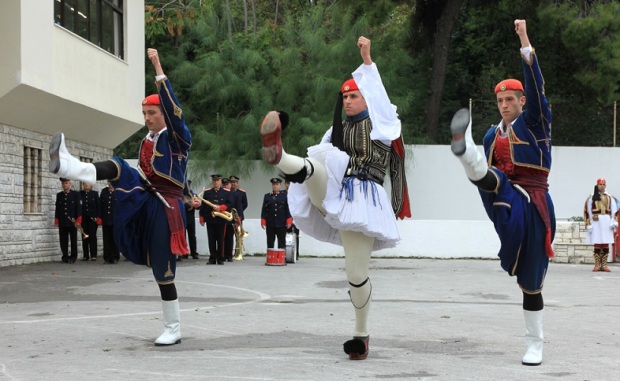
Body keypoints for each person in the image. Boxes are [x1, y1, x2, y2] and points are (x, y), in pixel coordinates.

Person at [259, 36, 410, 360]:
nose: (349, 100)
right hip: (334, 189)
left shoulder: (383, 124)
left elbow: (381, 98)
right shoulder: (336, 131)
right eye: (345, 96)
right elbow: (328, 157)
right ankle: (280, 154)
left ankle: (361, 333)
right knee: (315, 165)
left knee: (355, 275)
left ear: (367, 97)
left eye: (354, 95)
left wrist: (367, 61)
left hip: (363, 199)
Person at [49, 47, 191, 346]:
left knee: (162, 267)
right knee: (119, 166)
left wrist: (158, 66)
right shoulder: (146, 140)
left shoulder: (178, 137)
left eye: (152, 113)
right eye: (144, 114)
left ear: (164, 113)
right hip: (147, 199)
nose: (147, 118)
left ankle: (173, 327)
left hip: (166, 207)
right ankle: (71, 166)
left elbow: (176, 111)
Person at [450, 20, 553, 366]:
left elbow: (537, 87)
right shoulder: (493, 134)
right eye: (499, 100)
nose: (504, 104)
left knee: (531, 281)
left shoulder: (536, 122)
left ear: (522, 101)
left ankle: (534, 343)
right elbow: (496, 180)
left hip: (534, 202)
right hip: (503, 197)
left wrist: (525, 40)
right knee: (493, 179)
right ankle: (466, 155)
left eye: (510, 99)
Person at [584, 178, 618, 272]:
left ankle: (604, 264)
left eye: (603, 184)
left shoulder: (610, 197)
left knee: (605, 242)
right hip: (596, 222)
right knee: (597, 242)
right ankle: (597, 264)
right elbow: (587, 211)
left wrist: (613, 222)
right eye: (600, 184)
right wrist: (588, 223)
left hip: (607, 221)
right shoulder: (591, 197)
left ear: (605, 186)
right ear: (597, 185)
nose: (602, 186)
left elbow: (614, 210)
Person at [199, 174, 233, 265]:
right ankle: (212, 258)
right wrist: (202, 218)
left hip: (221, 219)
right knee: (211, 239)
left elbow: (230, 204)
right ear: (212, 182)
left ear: (220, 181)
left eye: (217, 180)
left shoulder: (226, 192)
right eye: (214, 180)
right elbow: (203, 206)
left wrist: (221, 207)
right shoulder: (208, 192)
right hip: (210, 218)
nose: (216, 182)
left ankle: (220, 258)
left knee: (221, 239)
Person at [54, 178, 82, 264]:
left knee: (73, 240)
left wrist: (78, 220)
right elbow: (57, 209)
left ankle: (73, 257)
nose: (64, 185)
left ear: (70, 184)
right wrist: (56, 220)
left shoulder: (76, 194)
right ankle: (65, 256)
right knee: (63, 240)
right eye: (63, 184)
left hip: (72, 222)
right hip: (63, 221)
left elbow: (79, 208)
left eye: (66, 183)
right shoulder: (59, 195)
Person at [260, 177, 292, 249]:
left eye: (277, 184)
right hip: (270, 223)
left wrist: (289, 220)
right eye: (274, 184)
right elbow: (264, 209)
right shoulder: (267, 196)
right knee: (270, 242)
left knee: (281, 242)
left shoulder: (285, 196)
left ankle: (280, 258)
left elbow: (288, 209)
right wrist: (263, 221)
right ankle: (270, 258)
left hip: (281, 222)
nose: (275, 186)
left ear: (280, 185)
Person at [99, 181, 120, 264]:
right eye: (109, 182)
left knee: (114, 239)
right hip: (106, 219)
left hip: (115, 220)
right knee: (106, 239)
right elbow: (100, 205)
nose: (110, 184)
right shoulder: (104, 192)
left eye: (111, 182)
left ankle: (115, 257)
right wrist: (99, 217)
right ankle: (107, 257)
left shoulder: (118, 192)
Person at [79, 182, 101, 261]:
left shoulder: (94, 194)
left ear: (90, 185)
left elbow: (98, 206)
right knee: (84, 237)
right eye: (85, 184)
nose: (86, 186)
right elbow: (79, 206)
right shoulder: (80, 194)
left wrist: (98, 218)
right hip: (84, 219)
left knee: (92, 236)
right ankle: (85, 255)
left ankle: (93, 255)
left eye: (87, 184)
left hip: (92, 219)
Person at [229, 175, 248, 260]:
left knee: (238, 235)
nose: (233, 184)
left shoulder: (242, 193)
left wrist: (238, 213)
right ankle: (229, 253)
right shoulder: (227, 192)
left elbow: (245, 204)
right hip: (229, 216)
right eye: (232, 182)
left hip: (238, 217)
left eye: (235, 182)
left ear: (237, 183)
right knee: (229, 235)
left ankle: (238, 252)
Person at [184, 180, 201, 260]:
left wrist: (198, 204)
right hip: (183, 218)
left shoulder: (194, 195)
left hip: (191, 218)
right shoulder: (181, 196)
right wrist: (190, 204)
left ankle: (194, 253)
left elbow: (198, 207)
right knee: (183, 236)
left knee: (192, 236)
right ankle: (183, 253)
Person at [285, 179, 301, 260]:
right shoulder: (283, 194)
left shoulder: (297, 194)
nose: (288, 185)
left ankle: (295, 254)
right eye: (287, 183)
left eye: (290, 183)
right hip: (286, 219)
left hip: (295, 218)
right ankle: (285, 253)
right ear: (285, 184)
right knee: (284, 236)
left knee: (296, 236)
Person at [221, 177, 235, 262]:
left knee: (229, 237)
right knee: (222, 238)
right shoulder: (221, 193)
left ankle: (229, 255)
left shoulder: (234, 194)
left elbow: (239, 206)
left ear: (230, 185)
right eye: (224, 185)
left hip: (231, 218)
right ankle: (222, 255)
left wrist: (237, 217)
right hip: (222, 217)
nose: (226, 186)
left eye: (227, 184)